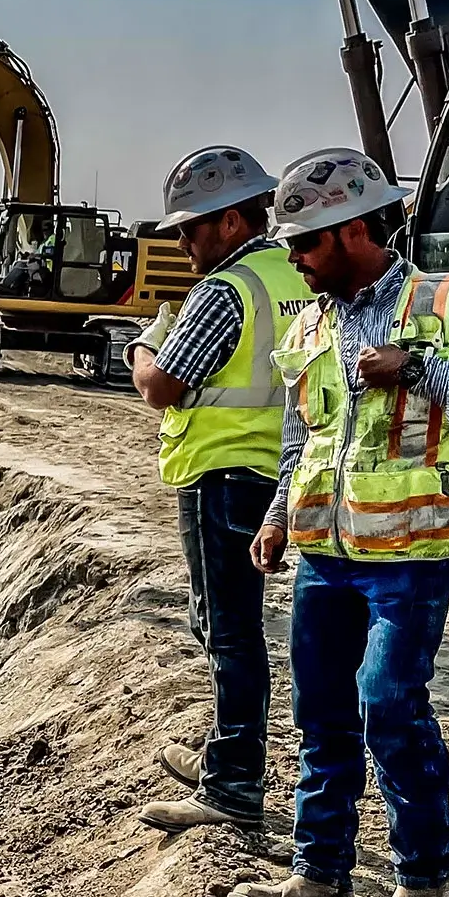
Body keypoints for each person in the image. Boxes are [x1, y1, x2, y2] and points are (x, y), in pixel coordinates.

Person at [227, 147, 449, 897]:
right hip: (325, 558)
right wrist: (276, 515)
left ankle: (424, 878)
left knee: (388, 703)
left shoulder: (442, 302)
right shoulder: (311, 323)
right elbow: (304, 438)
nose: (295, 260)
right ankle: (319, 870)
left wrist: (420, 370)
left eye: (305, 243)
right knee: (322, 711)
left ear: (355, 230)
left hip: (411, 555)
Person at [123, 146, 307, 832]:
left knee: (227, 631)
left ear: (231, 220)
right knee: (237, 628)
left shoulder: (225, 291)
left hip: (223, 474)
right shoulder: (293, 275)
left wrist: (144, 346)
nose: (183, 244)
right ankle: (227, 756)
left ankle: (232, 783)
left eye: (190, 228)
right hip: (277, 473)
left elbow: (161, 388)